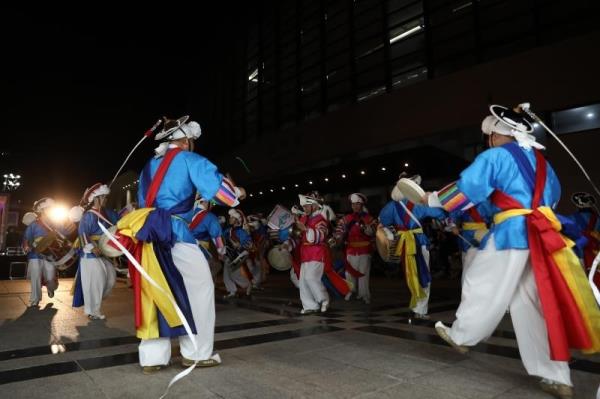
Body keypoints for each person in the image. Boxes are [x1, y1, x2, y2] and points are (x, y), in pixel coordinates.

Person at [428, 105, 600, 398]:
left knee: (481, 279)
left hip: (512, 232)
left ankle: (462, 335)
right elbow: (553, 198)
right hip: (541, 235)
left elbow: (468, 189)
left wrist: (431, 199)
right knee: (530, 305)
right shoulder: (544, 163)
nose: (488, 141)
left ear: (496, 135)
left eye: (489, 136)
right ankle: (557, 376)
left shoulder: (494, 156)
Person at [115, 116, 245, 374]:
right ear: (185, 141)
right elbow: (223, 194)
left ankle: (153, 358)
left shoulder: (148, 167)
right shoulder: (189, 160)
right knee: (200, 290)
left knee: (155, 291)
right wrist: (237, 192)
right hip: (176, 234)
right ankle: (197, 352)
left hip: (150, 233)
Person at [379, 175, 446, 318]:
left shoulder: (392, 206)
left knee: (411, 275)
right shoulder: (419, 204)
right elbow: (440, 213)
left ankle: (417, 305)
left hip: (403, 244)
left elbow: (383, 221)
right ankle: (420, 309)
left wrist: (391, 232)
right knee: (423, 274)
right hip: (419, 242)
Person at [74, 183, 118, 320]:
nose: (105, 199)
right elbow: (82, 234)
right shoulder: (88, 216)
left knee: (110, 278)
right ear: (96, 198)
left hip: (103, 251)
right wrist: (92, 247)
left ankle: (95, 304)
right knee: (95, 281)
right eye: (103, 197)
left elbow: (119, 221)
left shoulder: (107, 213)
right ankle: (92, 311)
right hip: (90, 254)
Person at [334, 193, 376, 304]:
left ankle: (364, 294)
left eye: (358, 204)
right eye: (353, 204)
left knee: (363, 274)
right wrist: (338, 237)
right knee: (349, 274)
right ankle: (350, 291)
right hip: (350, 250)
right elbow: (338, 231)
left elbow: (376, 233)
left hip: (364, 250)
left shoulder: (370, 218)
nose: (355, 206)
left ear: (362, 204)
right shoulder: (346, 219)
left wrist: (370, 231)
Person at [296, 193, 330, 314]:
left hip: (317, 253)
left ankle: (324, 299)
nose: (304, 209)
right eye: (304, 207)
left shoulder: (321, 219)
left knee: (311, 277)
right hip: (305, 253)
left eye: (306, 206)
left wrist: (305, 229)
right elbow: (300, 235)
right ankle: (310, 305)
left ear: (314, 206)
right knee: (303, 281)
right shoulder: (305, 218)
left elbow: (321, 235)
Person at [22, 198, 59, 307]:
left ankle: (50, 288)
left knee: (50, 274)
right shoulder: (33, 224)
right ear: (42, 210)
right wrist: (26, 246)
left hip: (49, 253)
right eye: (48, 208)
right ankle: (35, 298)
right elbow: (26, 237)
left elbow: (61, 236)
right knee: (35, 275)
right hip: (35, 253)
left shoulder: (54, 224)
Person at [189, 197, 225, 278]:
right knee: (215, 267)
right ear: (205, 202)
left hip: (182, 248)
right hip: (200, 251)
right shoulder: (209, 216)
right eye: (211, 203)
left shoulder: (186, 212)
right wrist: (221, 252)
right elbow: (217, 236)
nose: (212, 205)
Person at [222, 208, 254, 298]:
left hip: (237, 255)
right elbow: (221, 237)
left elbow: (249, 243)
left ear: (236, 220)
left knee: (234, 275)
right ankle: (232, 291)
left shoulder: (240, 231)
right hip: (229, 255)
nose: (230, 219)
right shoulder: (228, 230)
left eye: (231, 218)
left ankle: (247, 285)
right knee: (226, 275)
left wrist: (240, 245)